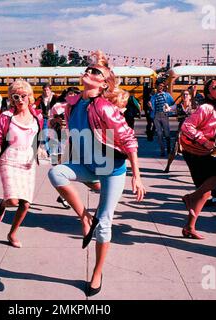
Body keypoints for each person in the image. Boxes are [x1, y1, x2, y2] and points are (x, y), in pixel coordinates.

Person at [48, 51, 146, 297]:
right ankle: (84, 218)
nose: (89, 72)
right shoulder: (74, 104)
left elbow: (129, 139)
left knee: (104, 225)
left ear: (104, 84)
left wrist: (137, 175)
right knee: (56, 173)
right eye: (88, 69)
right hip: (89, 165)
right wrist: (58, 125)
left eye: (96, 72)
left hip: (111, 168)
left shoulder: (104, 107)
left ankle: (97, 273)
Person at [0, 79, 43, 248]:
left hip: (27, 161)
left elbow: (37, 139)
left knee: (25, 204)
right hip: (9, 160)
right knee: (14, 201)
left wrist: (37, 154)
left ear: (30, 97)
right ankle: (4, 202)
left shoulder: (37, 117)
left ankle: (12, 233)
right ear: (11, 99)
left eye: (23, 96)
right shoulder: (6, 117)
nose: (20, 100)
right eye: (16, 97)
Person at [179, 79, 216, 240]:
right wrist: (203, 140)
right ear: (208, 94)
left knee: (205, 193)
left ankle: (189, 227)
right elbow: (186, 126)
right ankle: (190, 198)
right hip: (195, 151)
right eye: (214, 87)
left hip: (204, 152)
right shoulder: (206, 107)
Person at [48, 86, 81, 209]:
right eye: (70, 94)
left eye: (74, 94)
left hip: (75, 138)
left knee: (69, 168)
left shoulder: (79, 106)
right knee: (61, 167)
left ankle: (63, 195)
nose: (72, 96)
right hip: (59, 138)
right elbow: (49, 123)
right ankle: (63, 196)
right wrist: (56, 120)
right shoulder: (57, 106)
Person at [164, 90, 196, 173]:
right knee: (174, 149)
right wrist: (167, 108)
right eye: (183, 94)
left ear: (189, 96)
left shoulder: (194, 106)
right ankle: (167, 167)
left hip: (192, 131)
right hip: (181, 130)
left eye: (186, 94)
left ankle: (194, 170)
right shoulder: (178, 106)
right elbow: (170, 109)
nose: (184, 96)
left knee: (194, 152)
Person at [150, 82, 175, 156]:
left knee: (167, 133)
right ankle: (162, 150)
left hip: (164, 115)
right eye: (159, 86)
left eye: (162, 86)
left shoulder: (167, 95)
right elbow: (152, 107)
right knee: (159, 134)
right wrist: (150, 106)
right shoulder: (153, 96)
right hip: (156, 116)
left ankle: (168, 148)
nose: (161, 87)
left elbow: (173, 104)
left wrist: (169, 108)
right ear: (157, 86)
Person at [35, 84, 58, 156]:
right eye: (44, 90)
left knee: (53, 135)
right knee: (45, 135)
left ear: (50, 90)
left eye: (47, 90)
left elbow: (63, 100)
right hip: (44, 119)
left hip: (54, 119)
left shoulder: (55, 97)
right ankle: (49, 152)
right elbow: (35, 105)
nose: (46, 91)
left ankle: (54, 151)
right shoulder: (40, 98)